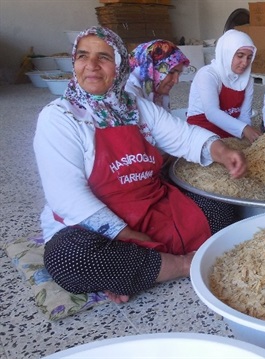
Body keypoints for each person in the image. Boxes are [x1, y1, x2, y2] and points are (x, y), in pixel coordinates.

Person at [33, 26, 247, 304]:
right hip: (94, 222)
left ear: (120, 65)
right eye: (83, 56)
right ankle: (183, 264)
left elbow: (182, 135)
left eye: (104, 57)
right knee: (68, 260)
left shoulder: (134, 106)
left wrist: (220, 151)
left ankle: (138, 270)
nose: (92, 66)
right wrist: (126, 234)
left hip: (150, 204)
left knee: (222, 209)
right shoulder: (59, 117)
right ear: (74, 62)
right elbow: (66, 196)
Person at [186, 29, 261, 142]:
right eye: (240, 56)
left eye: (249, 57)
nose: (245, 62)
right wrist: (244, 129)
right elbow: (212, 113)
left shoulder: (247, 79)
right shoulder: (208, 74)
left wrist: (244, 134)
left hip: (230, 128)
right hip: (203, 127)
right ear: (227, 53)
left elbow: (245, 115)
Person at [126, 39, 190, 112]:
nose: (176, 81)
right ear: (150, 69)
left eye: (179, 73)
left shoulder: (157, 95)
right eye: (171, 72)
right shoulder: (128, 95)